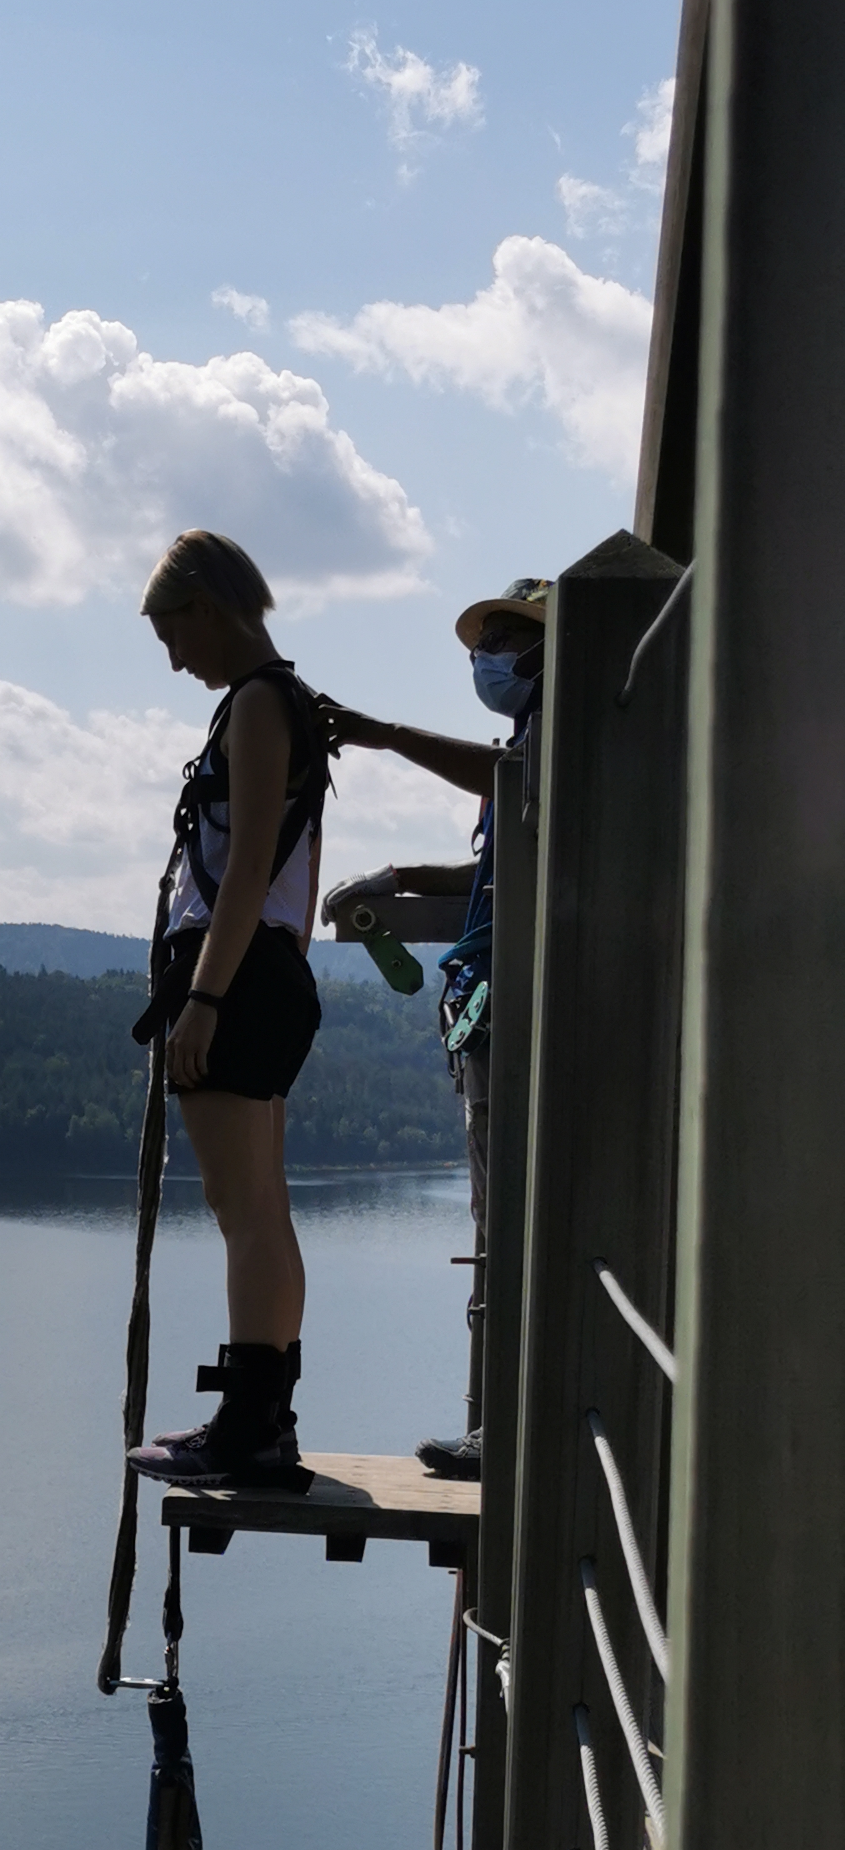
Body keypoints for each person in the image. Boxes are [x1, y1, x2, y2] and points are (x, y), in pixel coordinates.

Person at [319, 576, 547, 1477]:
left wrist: (383, 733)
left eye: (504, 640)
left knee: (514, 1219)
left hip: (525, 1012)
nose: (485, 658)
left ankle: (509, 1427)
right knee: (498, 1214)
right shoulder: (527, 747)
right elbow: (493, 868)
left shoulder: (559, 737)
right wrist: (403, 875)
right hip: (494, 1006)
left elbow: (503, 779)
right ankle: (506, 1421)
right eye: (479, 645)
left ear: (550, 646)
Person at [126, 530, 331, 1490]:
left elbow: (248, 861)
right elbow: (297, 866)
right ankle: (263, 1420)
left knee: (240, 1209)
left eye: (174, 634)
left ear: (206, 607)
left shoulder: (255, 702)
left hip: (234, 974)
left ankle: (247, 1431)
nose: (174, 659)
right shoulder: (288, 703)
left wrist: (206, 996)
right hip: (265, 971)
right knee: (263, 1208)